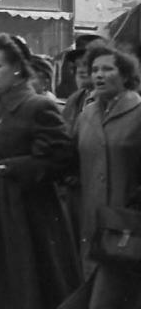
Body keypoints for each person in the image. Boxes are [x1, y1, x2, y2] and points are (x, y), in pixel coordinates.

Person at [0, 34, 80, 309]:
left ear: (17, 67)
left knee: (26, 282)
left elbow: (61, 157)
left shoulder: (37, 106)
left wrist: (16, 167)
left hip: (25, 212)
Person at [72, 45, 141, 308]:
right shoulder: (86, 115)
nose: (98, 75)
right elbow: (70, 159)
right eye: (94, 70)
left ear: (125, 75)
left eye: (107, 69)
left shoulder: (138, 113)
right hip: (92, 220)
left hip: (128, 224)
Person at [61, 48, 93, 131]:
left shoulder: (108, 100)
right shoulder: (73, 100)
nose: (80, 70)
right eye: (77, 65)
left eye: (87, 64)